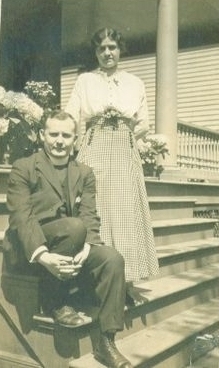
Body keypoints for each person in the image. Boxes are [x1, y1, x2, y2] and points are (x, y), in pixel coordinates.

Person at [3, 110, 133, 368]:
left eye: (66, 135)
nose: (59, 141)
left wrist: (89, 245)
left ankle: (106, 342)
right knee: (73, 227)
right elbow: (21, 217)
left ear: (75, 138)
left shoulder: (84, 172)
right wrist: (43, 255)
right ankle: (56, 302)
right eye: (53, 134)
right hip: (30, 250)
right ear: (42, 135)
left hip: (72, 243)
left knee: (112, 259)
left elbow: (89, 214)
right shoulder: (24, 167)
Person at [65, 27, 159, 304]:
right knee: (96, 209)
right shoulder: (84, 81)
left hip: (124, 150)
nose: (107, 53)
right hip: (94, 148)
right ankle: (93, 280)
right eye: (101, 48)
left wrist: (123, 133)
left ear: (120, 50)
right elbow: (72, 115)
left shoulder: (135, 82)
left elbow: (143, 123)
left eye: (112, 47)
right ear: (95, 52)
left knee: (125, 214)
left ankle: (125, 282)